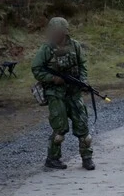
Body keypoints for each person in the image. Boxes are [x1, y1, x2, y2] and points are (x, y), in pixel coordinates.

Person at [32, 17, 95, 170]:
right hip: (56, 93)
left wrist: (83, 81)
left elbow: (82, 65)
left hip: (74, 93)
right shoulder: (46, 49)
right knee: (59, 130)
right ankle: (52, 159)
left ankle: (87, 158)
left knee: (83, 128)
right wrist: (53, 78)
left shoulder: (75, 46)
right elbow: (36, 69)